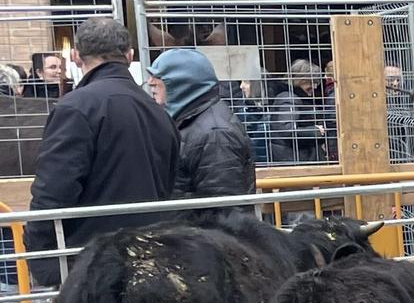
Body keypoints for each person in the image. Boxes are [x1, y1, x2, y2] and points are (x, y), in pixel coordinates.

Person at [25, 17, 177, 287]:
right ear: (129, 56)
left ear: (75, 56)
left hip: (92, 264)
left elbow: (54, 189)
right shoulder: (157, 111)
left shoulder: (75, 108)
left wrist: (40, 254)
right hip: (150, 257)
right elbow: (169, 183)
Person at [153, 48, 255, 201]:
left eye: (159, 76)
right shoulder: (191, 121)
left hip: (199, 224)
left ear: (182, 81)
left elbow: (223, 210)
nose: (150, 82)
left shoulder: (216, 133)